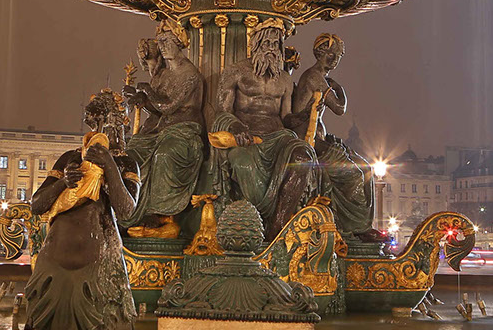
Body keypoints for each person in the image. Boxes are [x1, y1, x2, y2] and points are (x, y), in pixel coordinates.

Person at [26, 90, 139, 330]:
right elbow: (37, 205)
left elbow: (127, 211)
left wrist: (109, 165)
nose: (100, 129)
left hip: (98, 271)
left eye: (107, 122)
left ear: (119, 125)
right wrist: (62, 183)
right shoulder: (70, 159)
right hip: (53, 267)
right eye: (95, 122)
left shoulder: (125, 163)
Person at [213, 20, 318, 235]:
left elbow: (285, 117)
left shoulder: (286, 81)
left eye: (275, 43)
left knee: (303, 157)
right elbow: (221, 111)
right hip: (246, 137)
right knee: (243, 164)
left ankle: (277, 227)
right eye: (266, 42)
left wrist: (303, 117)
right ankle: (249, 223)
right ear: (256, 45)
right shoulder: (236, 72)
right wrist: (234, 125)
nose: (271, 48)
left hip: (278, 138)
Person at [287, 33, 382, 243]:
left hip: (320, 138)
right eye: (331, 54)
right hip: (309, 140)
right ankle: (355, 226)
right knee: (355, 175)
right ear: (320, 54)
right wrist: (338, 88)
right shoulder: (314, 77)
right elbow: (339, 108)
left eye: (338, 55)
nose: (335, 59)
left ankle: (362, 225)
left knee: (366, 168)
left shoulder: (318, 77)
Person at [121, 22, 206, 239]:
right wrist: (139, 97)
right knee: (131, 153)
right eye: (161, 42)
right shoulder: (164, 74)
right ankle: (129, 211)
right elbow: (156, 108)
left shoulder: (190, 74)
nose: (164, 47)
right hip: (161, 129)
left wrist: (147, 90)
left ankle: (161, 216)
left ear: (180, 44)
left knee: (164, 155)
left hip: (184, 130)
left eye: (168, 42)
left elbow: (167, 106)